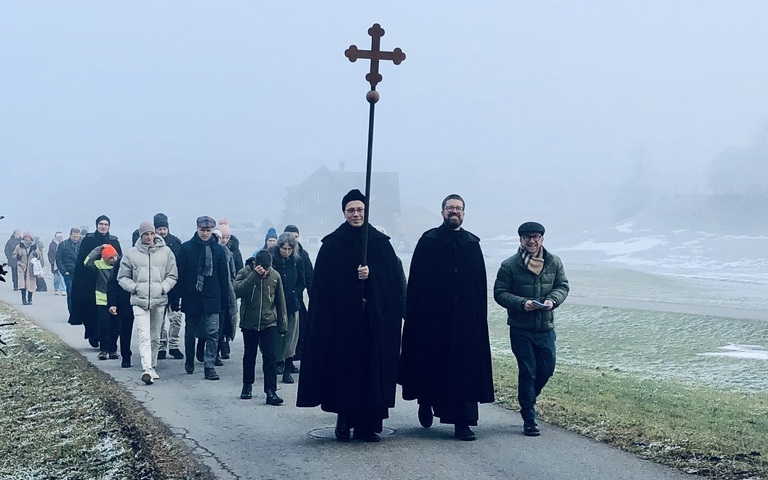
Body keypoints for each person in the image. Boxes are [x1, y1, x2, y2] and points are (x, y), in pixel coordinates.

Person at [297, 189, 404, 443]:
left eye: (360, 210)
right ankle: (343, 421)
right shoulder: (333, 244)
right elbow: (323, 288)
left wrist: (372, 276)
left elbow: (393, 284)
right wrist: (351, 279)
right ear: (344, 213)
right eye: (351, 210)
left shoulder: (379, 243)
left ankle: (368, 425)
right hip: (343, 325)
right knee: (345, 374)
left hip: (372, 324)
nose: (356, 214)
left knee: (371, 375)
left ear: (366, 212)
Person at [398, 194, 495, 441]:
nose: (454, 212)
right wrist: (415, 317)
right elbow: (416, 284)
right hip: (432, 322)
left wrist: (477, 320)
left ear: (464, 213)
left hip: (464, 323)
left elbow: (478, 287)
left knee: (463, 372)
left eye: (459, 208)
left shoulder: (472, 244)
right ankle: (426, 400)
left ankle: (463, 422)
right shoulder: (429, 241)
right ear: (442, 212)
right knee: (432, 367)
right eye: (450, 208)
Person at [493, 221, 569, 437]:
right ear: (521, 240)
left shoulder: (554, 262)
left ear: (542, 239)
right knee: (528, 371)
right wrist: (522, 303)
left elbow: (562, 286)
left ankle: (527, 400)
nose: (532, 241)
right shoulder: (509, 266)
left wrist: (553, 300)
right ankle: (529, 418)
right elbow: (500, 293)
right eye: (527, 237)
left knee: (547, 369)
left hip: (546, 328)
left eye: (536, 237)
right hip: (520, 329)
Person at [118, 221, 178, 385]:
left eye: (152, 233)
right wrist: (134, 287)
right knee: (143, 335)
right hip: (139, 300)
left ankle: (152, 366)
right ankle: (146, 369)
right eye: (146, 234)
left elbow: (172, 275)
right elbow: (122, 277)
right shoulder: (131, 254)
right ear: (141, 235)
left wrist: (163, 288)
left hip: (159, 300)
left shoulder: (166, 252)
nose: (149, 237)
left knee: (155, 336)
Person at [176, 216, 230, 380]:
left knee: (213, 333)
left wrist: (224, 300)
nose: (205, 234)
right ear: (197, 229)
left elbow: (223, 277)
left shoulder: (219, 250)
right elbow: (180, 275)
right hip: (192, 296)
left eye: (208, 231)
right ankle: (190, 361)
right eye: (202, 230)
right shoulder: (186, 249)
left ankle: (209, 365)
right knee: (191, 332)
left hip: (212, 297)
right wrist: (176, 298)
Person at [234, 251, 287, 404]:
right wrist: (254, 276)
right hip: (249, 321)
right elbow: (237, 291)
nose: (265, 272)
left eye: (267, 269)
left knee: (270, 356)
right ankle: (247, 385)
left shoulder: (275, 276)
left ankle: (271, 391)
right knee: (249, 355)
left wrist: (282, 325)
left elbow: (280, 301)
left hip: (269, 321)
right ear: (255, 265)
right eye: (262, 268)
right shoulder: (245, 272)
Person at [69, 215, 122, 348]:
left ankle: (106, 341)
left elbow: (120, 262)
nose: (103, 227)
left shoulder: (114, 241)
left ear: (109, 226)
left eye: (106, 224)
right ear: (97, 225)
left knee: (107, 313)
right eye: (101, 224)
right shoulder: (89, 240)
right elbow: (82, 262)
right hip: (88, 282)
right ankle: (93, 334)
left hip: (107, 282)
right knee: (90, 310)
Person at [268, 232, 305, 383]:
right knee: (277, 336)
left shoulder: (296, 260)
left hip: (292, 303)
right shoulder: (272, 259)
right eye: (284, 249)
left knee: (291, 336)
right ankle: (278, 362)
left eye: (289, 249)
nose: (286, 252)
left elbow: (301, 280)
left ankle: (288, 368)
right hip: (275, 305)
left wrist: (296, 293)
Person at [152, 213, 185, 360]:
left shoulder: (176, 243)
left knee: (176, 319)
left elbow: (181, 267)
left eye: (164, 228)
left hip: (174, 287)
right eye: (159, 229)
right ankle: (161, 346)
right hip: (157, 287)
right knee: (159, 319)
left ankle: (174, 345)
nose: (162, 232)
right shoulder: (150, 245)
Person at [84, 244, 120, 361]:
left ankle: (113, 349)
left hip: (116, 300)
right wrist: (99, 249)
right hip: (102, 300)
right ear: (105, 258)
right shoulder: (99, 265)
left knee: (116, 327)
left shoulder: (119, 265)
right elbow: (87, 261)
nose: (113, 260)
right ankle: (103, 350)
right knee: (104, 326)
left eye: (115, 257)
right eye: (110, 258)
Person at [284, 224, 313, 363]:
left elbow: (308, 278)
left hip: (297, 298)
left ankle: (295, 358)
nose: (293, 240)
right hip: (280, 299)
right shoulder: (277, 254)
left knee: (300, 329)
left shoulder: (303, 254)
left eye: (295, 237)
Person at [108, 254, 135, 368]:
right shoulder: (124, 259)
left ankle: (149, 359)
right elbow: (113, 282)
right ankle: (126, 356)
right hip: (125, 300)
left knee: (147, 331)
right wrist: (112, 303)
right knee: (125, 329)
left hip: (146, 299)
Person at [12, 232, 43, 305]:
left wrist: (36, 255)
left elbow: (39, 256)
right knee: (22, 283)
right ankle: (23, 299)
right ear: (23, 238)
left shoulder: (34, 247)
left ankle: (30, 299)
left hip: (31, 267)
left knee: (31, 283)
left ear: (31, 238)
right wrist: (17, 256)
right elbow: (14, 254)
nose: (27, 239)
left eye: (28, 237)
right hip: (22, 266)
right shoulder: (19, 246)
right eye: (25, 237)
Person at [56, 227, 81, 313]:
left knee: (80, 294)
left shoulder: (82, 244)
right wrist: (64, 271)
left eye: (77, 237)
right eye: (74, 236)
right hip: (68, 273)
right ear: (70, 235)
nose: (76, 239)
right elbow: (58, 258)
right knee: (70, 293)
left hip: (79, 273)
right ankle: (72, 313)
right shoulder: (63, 244)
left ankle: (79, 313)